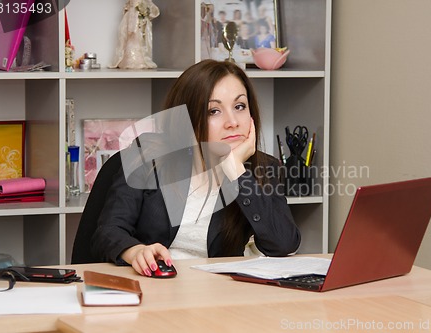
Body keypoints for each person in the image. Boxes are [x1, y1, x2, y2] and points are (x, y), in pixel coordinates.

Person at [91, 60, 301, 277]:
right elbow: (108, 231)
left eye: (239, 107)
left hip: (216, 295)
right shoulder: (148, 154)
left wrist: (236, 171)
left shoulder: (265, 168)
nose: (232, 122)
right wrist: (135, 252)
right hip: (154, 286)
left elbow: (284, 244)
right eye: (214, 111)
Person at [111, 0, 160, 69]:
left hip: (137, 17)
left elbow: (152, 8)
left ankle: (139, 60)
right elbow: (127, 5)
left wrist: (144, 12)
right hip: (130, 16)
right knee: (129, 37)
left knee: (138, 37)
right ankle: (128, 59)